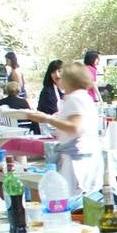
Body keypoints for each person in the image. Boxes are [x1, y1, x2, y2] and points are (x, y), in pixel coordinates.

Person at [21, 62, 102, 193]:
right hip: (83, 154)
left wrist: (46, 118)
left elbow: (75, 127)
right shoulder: (83, 97)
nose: (59, 78)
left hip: (77, 157)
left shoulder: (75, 98)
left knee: (72, 199)